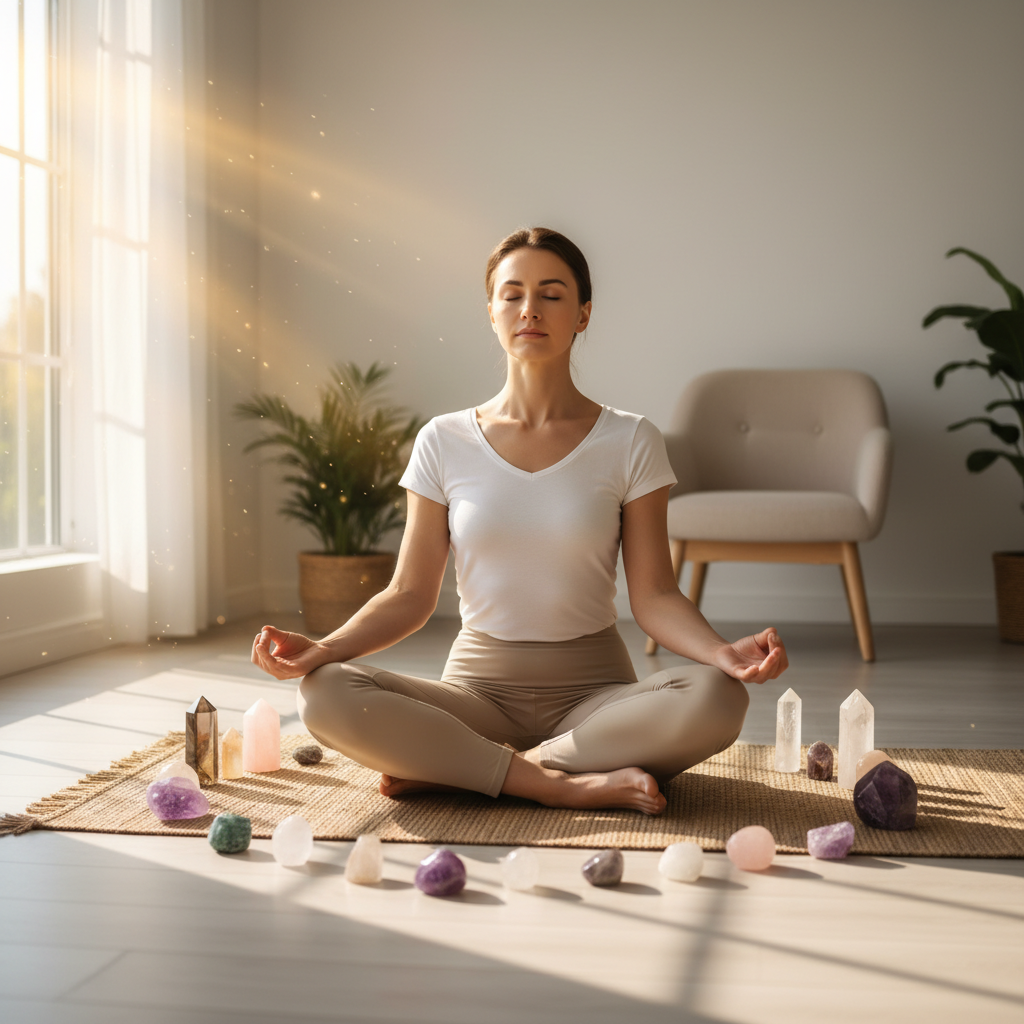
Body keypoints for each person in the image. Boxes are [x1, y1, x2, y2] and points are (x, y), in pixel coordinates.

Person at [251, 227, 788, 816]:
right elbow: (409, 594)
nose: (530, 309)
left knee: (717, 696)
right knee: (324, 692)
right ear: (491, 312)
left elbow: (656, 594)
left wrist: (722, 653)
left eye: (552, 294)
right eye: (512, 294)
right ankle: (558, 783)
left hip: (597, 700)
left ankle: (465, 768)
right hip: (475, 696)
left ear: (583, 314)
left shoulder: (630, 440)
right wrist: (323, 649)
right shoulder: (443, 441)